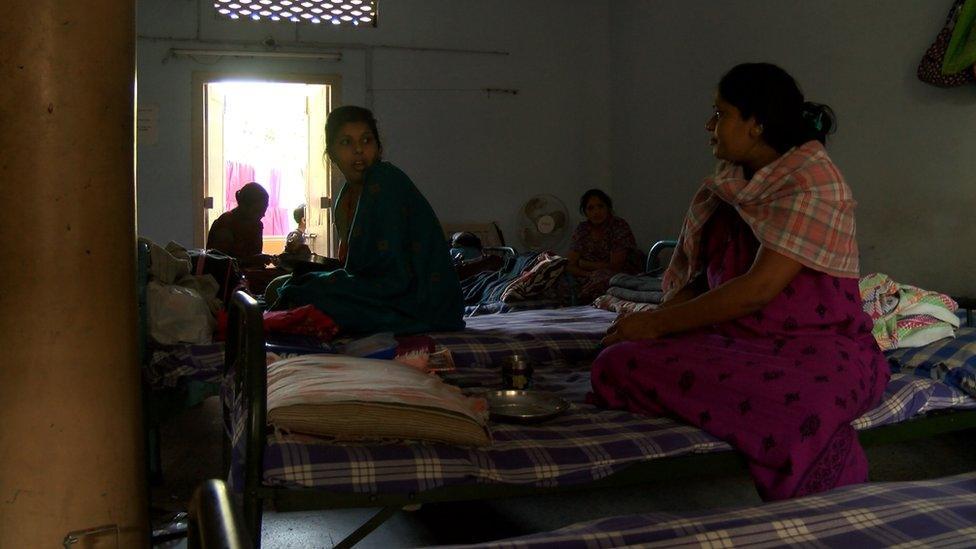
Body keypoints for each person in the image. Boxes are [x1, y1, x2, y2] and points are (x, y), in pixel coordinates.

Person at [589, 63, 889, 501]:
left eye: (720, 113)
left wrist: (654, 326)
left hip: (814, 345)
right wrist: (650, 320)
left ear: (756, 124)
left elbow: (757, 290)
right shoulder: (732, 185)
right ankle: (751, 410)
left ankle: (823, 483)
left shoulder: (812, 182)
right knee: (615, 361)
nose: (709, 126)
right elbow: (702, 282)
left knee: (807, 406)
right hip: (734, 336)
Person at [274, 105, 464, 335]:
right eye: (346, 142)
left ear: (378, 147)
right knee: (285, 286)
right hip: (378, 291)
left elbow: (392, 274)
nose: (358, 150)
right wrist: (311, 267)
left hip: (420, 300)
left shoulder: (385, 181)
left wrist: (327, 283)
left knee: (299, 292)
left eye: (366, 141)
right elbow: (357, 267)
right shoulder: (344, 199)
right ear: (331, 152)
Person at [566, 189, 641, 303]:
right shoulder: (582, 229)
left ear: (608, 208)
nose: (596, 212)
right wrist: (588, 274)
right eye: (590, 208)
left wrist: (586, 264)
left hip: (616, 274)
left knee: (602, 278)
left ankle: (584, 303)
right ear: (585, 212)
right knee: (558, 276)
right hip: (587, 275)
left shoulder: (618, 227)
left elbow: (615, 265)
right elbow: (570, 264)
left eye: (600, 206)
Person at [206, 182, 273, 268]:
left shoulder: (256, 225)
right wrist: (252, 261)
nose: (263, 215)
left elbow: (254, 254)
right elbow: (219, 263)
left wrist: (262, 258)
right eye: (257, 210)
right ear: (244, 206)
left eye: (264, 210)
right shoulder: (226, 224)